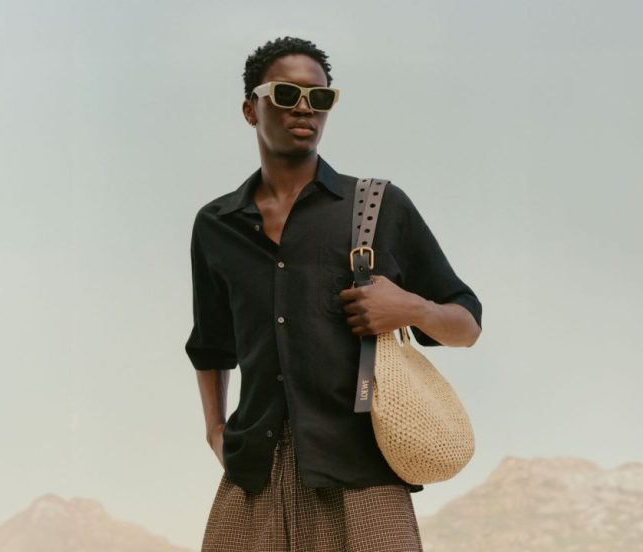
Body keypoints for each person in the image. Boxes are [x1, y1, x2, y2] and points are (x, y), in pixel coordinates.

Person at [186, 36, 483, 552]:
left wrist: (410, 308)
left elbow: (468, 324)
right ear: (250, 109)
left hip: (362, 477)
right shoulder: (217, 225)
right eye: (286, 94)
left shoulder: (378, 207)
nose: (305, 108)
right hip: (254, 474)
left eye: (319, 98)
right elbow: (211, 345)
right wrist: (215, 429)